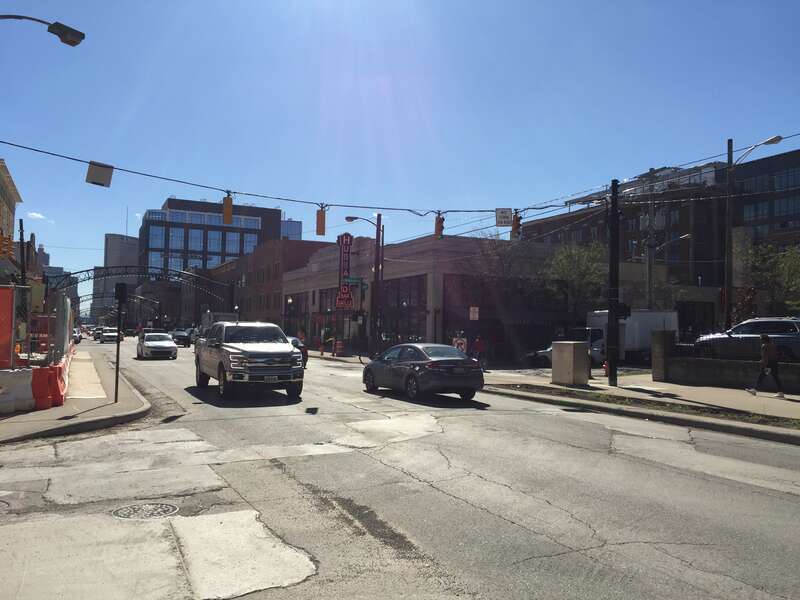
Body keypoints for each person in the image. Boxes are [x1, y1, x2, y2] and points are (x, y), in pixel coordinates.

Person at [746, 334, 784, 398]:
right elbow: (775, 354)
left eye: (761, 339)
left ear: (763, 339)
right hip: (774, 363)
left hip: (768, 364)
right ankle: (780, 392)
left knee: (761, 376)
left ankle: (754, 390)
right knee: (775, 377)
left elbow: (765, 357)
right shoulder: (772, 345)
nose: (760, 340)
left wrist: (764, 365)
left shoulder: (764, 346)